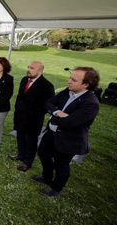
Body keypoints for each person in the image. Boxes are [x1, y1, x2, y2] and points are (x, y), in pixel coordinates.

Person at [32, 67, 100, 197]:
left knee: (61, 165)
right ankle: (47, 177)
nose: (69, 81)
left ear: (86, 84)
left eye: (73, 80)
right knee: (43, 154)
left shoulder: (91, 103)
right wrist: (58, 112)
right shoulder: (67, 91)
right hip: (51, 133)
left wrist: (54, 115)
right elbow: (48, 104)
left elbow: (70, 122)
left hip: (69, 140)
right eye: (70, 77)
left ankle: (56, 188)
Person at [9, 61, 55, 171]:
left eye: (32, 68)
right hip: (20, 116)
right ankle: (21, 155)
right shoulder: (25, 80)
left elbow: (47, 105)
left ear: (40, 71)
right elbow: (20, 97)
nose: (28, 69)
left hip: (33, 120)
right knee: (20, 137)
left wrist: (32, 114)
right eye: (28, 67)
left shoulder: (47, 85)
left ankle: (27, 162)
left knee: (31, 141)